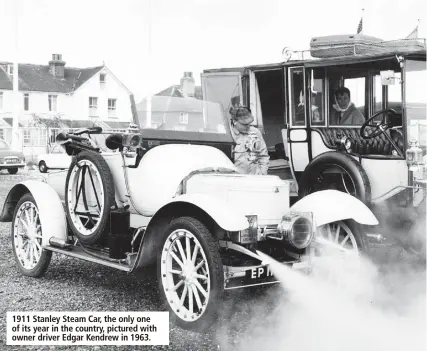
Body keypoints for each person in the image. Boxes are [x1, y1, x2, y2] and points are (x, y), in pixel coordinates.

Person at [229, 106, 269, 175]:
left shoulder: (256, 132)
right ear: (235, 121)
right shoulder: (229, 135)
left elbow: (263, 156)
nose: (248, 126)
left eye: (249, 123)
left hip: (255, 178)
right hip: (236, 179)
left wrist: (263, 173)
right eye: (245, 124)